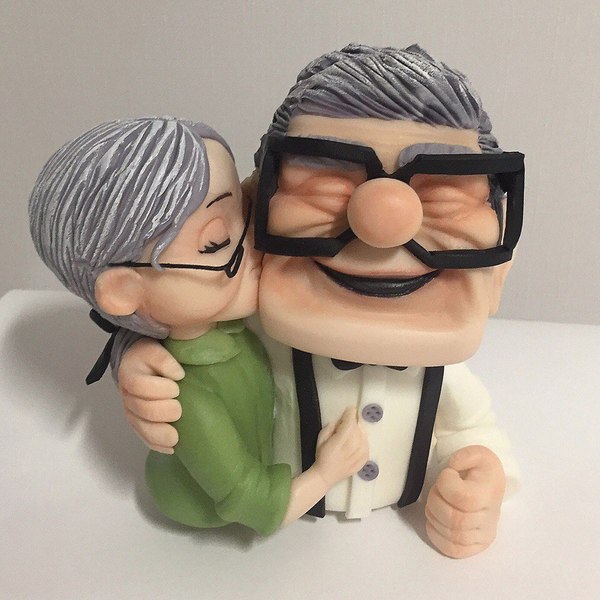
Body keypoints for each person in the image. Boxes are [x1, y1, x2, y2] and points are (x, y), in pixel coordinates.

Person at [114, 45, 525, 558]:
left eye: (441, 194)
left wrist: (483, 477)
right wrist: (135, 348)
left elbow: (471, 431)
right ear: (255, 203)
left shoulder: (443, 370)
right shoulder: (253, 330)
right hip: (275, 548)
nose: (383, 224)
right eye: (329, 186)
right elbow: (171, 303)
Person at [28, 116, 368, 535]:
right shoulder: (187, 395)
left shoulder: (234, 317)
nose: (252, 240)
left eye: (244, 210)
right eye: (215, 242)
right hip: (205, 510)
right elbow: (253, 501)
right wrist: (327, 471)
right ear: (124, 291)